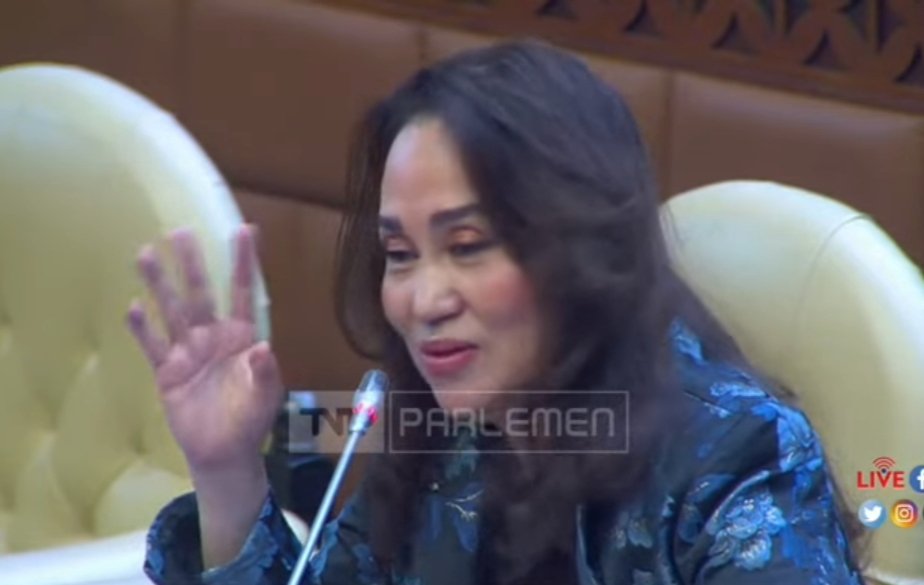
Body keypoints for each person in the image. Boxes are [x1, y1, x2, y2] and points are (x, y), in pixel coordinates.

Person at [130, 39, 867, 585]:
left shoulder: (739, 456)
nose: (424, 301)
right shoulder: (428, 429)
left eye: (468, 246)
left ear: (577, 244)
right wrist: (227, 473)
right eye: (401, 254)